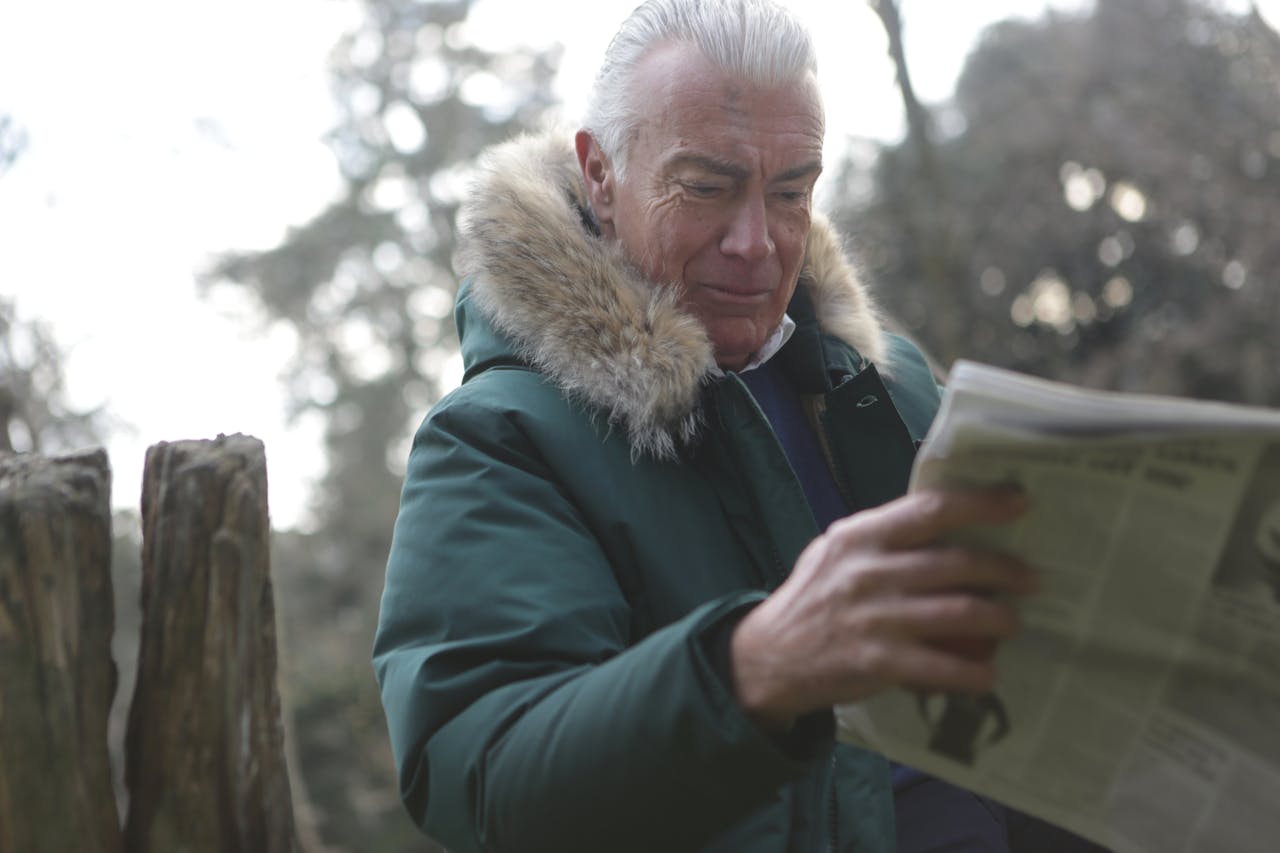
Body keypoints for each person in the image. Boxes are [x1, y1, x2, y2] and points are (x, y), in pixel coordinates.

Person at [374, 1, 1067, 850]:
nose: (757, 242)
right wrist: (753, 670)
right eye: (706, 187)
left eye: (791, 192)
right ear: (599, 173)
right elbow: (481, 774)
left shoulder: (889, 383)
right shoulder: (496, 444)